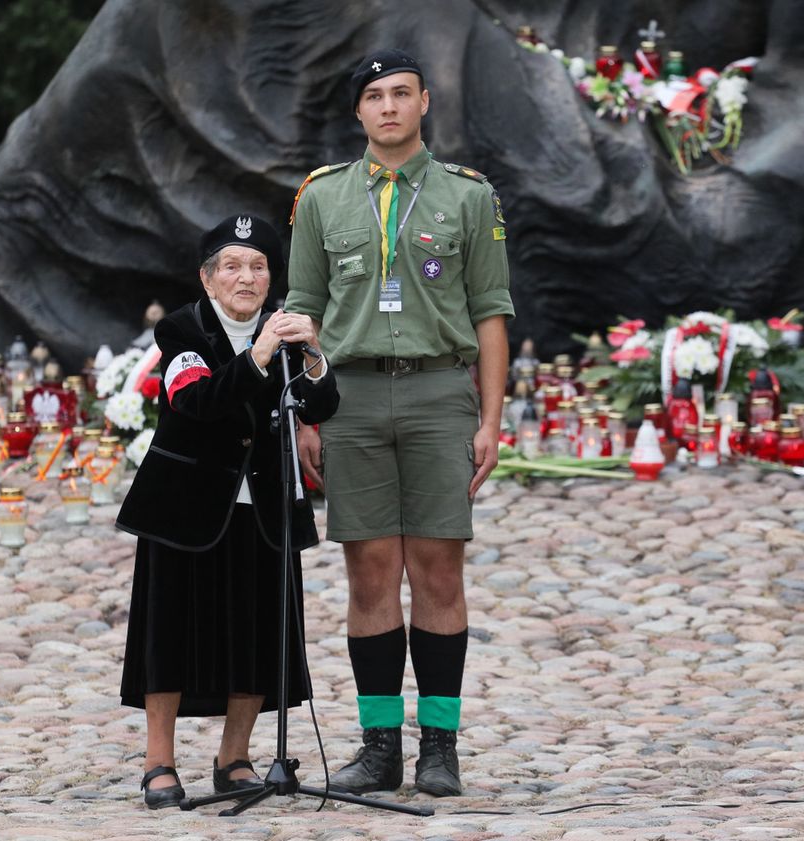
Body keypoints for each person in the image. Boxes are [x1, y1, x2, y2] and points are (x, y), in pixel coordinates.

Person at [285, 49, 514, 797]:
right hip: (349, 397)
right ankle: (379, 744)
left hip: (438, 394)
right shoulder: (322, 198)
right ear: (358, 111)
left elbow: (489, 313)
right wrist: (306, 414)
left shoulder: (467, 196)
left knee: (440, 572)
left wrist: (491, 417)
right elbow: (304, 315)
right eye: (375, 96)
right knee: (371, 573)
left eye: (402, 94)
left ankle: (439, 749)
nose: (388, 107)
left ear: (423, 104)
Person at [116, 214, 338, 809]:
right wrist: (260, 354)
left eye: (259, 266)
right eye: (233, 267)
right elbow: (197, 402)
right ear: (208, 278)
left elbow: (323, 401)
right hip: (184, 505)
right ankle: (158, 761)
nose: (247, 278)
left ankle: (233, 757)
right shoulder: (181, 330)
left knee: (256, 631)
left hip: (263, 502)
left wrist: (313, 352)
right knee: (168, 633)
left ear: (271, 278)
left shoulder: (284, 331)